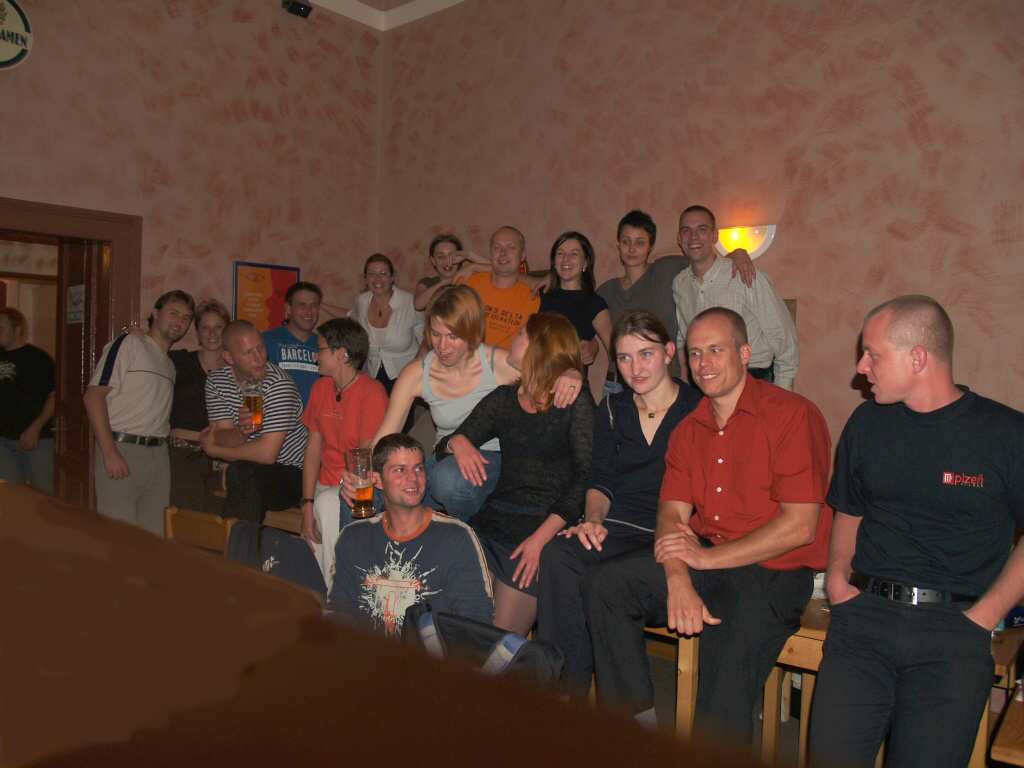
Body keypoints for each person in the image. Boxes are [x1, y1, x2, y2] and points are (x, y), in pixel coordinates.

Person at [586, 307, 832, 744]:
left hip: (775, 570)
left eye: (716, 350)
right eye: (695, 353)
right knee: (607, 585)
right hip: (709, 557)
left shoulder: (792, 414)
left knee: (721, 685)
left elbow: (800, 527)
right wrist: (679, 577)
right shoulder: (689, 429)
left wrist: (703, 560)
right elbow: (671, 515)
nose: (703, 364)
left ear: (745, 353)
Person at [808, 296, 1024, 768]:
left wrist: (985, 615)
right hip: (863, 621)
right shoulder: (867, 422)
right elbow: (849, 509)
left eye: (873, 354)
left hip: (954, 632)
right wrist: (839, 578)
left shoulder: (1006, 434)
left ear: (918, 357)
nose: (861, 367)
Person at [535, 311, 701, 700]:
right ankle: (563, 693)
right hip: (619, 528)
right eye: (624, 358)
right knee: (559, 553)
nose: (634, 368)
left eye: (646, 355)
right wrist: (593, 520)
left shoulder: (697, 409)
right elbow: (601, 480)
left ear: (669, 353)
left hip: (668, 534)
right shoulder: (613, 409)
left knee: (605, 579)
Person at [362, 285, 582, 523]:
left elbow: (547, 367)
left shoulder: (498, 363)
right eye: (436, 334)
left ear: (472, 333)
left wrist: (572, 373)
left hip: (495, 457)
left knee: (448, 481)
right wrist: (361, 473)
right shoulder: (416, 373)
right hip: (445, 454)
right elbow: (385, 436)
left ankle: (473, 535)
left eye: (452, 336)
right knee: (364, 496)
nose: (442, 346)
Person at [438, 312, 595, 636]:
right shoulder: (504, 399)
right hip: (492, 522)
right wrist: (457, 441)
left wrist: (540, 541)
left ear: (540, 346)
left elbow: (585, 478)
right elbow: (444, 445)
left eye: (522, 333)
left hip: (541, 528)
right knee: (458, 626)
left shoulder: (573, 400)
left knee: (496, 643)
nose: (513, 336)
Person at [327, 433, 494, 637]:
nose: (413, 478)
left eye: (418, 468)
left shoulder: (456, 538)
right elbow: (339, 613)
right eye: (400, 470)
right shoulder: (353, 537)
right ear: (377, 480)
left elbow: (476, 622)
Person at [597, 209, 754, 391]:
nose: (632, 249)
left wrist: (736, 254)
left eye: (640, 242)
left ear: (650, 246)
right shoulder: (606, 291)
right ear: (618, 245)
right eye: (626, 242)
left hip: (666, 380)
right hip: (620, 383)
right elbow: (589, 332)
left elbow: (705, 262)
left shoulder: (668, 269)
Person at [83, 290, 195, 534]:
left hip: (158, 456)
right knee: (119, 538)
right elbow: (93, 396)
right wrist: (110, 452)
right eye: (173, 313)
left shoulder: (169, 365)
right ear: (155, 313)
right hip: (122, 449)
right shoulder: (130, 344)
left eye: (186, 318)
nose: (179, 322)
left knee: (152, 539)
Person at [300, 317, 388, 584]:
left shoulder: (372, 392)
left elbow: (365, 458)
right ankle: (323, 595)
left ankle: (337, 595)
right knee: (314, 539)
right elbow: (312, 450)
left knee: (328, 505)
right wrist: (306, 504)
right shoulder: (320, 388)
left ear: (342, 354)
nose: (315, 356)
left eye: (320, 349)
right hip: (323, 486)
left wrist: (325, 498)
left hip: (356, 490)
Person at [672, 204, 798, 389]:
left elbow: (784, 339)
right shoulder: (680, 283)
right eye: (686, 231)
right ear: (679, 239)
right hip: (706, 378)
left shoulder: (744, 275)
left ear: (715, 236)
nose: (693, 237)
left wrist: (782, 395)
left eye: (702, 229)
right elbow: (684, 336)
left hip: (753, 377)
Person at [201, 320, 308, 522]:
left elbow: (267, 455)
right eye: (248, 352)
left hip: (291, 473)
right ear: (229, 357)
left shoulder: (279, 384)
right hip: (247, 470)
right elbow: (221, 436)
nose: (259, 358)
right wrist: (242, 431)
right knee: (240, 474)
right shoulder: (216, 382)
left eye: (261, 348)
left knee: (241, 473)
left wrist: (215, 451)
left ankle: (232, 538)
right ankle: (239, 538)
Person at [167, 298, 230, 512]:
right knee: (186, 521)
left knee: (217, 522)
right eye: (205, 327)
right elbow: (149, 346)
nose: (212, 333)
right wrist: (135, 334)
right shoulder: (178, 361)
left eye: (218, 327)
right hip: (183, 455)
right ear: (197, 332)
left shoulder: (235, 370)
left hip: (221, 459)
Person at [349, 254, 423, 394]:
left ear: (392, 278)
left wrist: (416, 370)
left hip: (406, 378)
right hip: (372, 377)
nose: (377, 279)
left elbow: (426, 340)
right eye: (372, 274)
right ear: (365, 278)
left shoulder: (410, 303)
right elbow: (349, 321)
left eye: (383, 273)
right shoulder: (361, 301)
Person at [456, 226, 540, 350]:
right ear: (490, 253)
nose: (503, 253)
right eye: (496, 247)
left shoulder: (535, 296)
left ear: (522, 255)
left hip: (507, 361)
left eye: (511, 247)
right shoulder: (467, 282)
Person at [0, 307, 55, 495]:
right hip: (3, 441)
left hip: (37, 439)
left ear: (17, 330)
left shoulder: (39, 359)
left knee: (43, 496)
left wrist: (35, 428)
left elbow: (54, 397)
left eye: (1, 328)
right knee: (10, 496)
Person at [539, 231, 612, 370]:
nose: (566, 259)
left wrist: (593, 345)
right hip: (536, 376)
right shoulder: (541, 294)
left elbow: (614, 350)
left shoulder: (595, 303)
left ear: (585, 263)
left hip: (572, 379)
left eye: (574, 254)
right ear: (554, 262)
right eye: (560, 253)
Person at [262, 281, 322, 406]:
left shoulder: (325, 346)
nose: (309, 311)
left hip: (316, 418)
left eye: (314, 305)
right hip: (278, 416)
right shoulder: (266, 341)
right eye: (302, 305)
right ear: (288, 309)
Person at [414, 233, 464, 311]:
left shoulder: (468, 278)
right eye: (441, 257)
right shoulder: (427, 283)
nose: (447, 261)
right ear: (433, 261)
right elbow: (418, 305)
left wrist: (471, 258)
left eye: (452, 256)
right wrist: (444, 282)